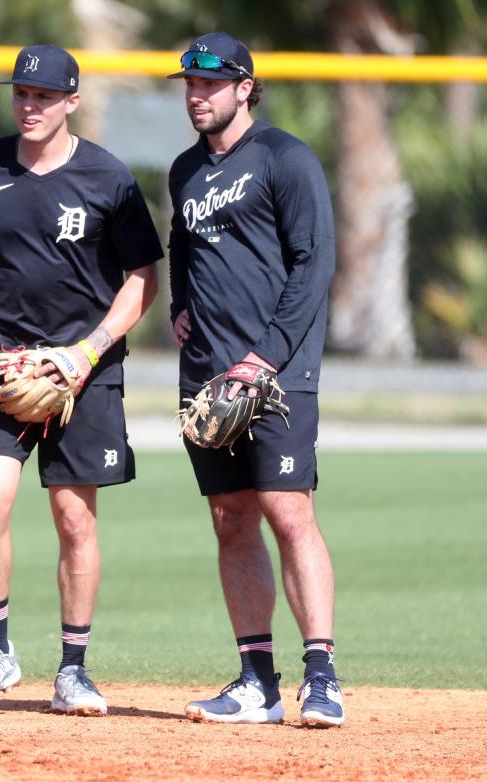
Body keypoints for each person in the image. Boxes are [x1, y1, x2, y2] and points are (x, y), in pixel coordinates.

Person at [0, 44, 162, 716]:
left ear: (71, 101)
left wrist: (87, 351)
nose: (29, 106)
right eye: (21, 95)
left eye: (43, 96)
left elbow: (144, 277)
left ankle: (73, 667)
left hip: (82, 372)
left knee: (73, 517)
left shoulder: (108, 177)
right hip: (1, 365)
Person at [166, 32, 343, 727]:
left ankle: (321, 675)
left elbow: (315, 264)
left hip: (278, 371)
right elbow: (180, 243)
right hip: (207, 374)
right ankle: (256, 681)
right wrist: (180, 306)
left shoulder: (285, 158)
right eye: (189, 84)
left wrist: (264, 357)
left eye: (210, 83)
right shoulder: (185, 171)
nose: (196, 95)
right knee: (229, 516)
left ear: (244, 87)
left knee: (288, 510)